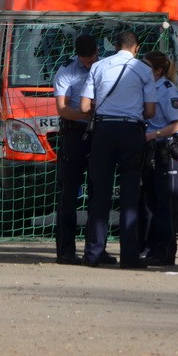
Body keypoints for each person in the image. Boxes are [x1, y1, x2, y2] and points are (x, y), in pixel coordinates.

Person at [79, 31, 156, 269]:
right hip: (132, 132)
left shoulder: (99, 67)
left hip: (104, 131)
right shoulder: (144, 70)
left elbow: (83, 107)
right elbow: (151, 111)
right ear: (136, 48)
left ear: (115, 46)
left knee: (99, 194)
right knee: (130, 195)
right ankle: (130, 256)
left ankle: (93, 253)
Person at [52, 34, 99, 266]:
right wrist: (86, 113)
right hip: (74, 134)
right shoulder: (67, 71)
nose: (89, 64)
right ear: (78, 55)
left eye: (92, 58)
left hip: (98, 134)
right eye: (85, 60)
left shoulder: (104, 67)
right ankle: (65, 250)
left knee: (97, 193)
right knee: (69, 194)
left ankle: (95, 248)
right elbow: (62, 109)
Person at [139, 51, 178, 266]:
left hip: (164, 150)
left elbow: (177, 123)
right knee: (150, 202)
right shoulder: (147, 88)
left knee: (165, 204)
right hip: (150, 150)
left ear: (158, 71)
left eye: (147, 66)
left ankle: (165, 252)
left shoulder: (167, 90)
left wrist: (153, 134)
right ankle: (150, 248)